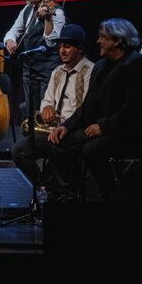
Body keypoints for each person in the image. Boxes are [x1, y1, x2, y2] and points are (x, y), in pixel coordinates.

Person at [46, 18, 142, 200]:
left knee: (92, 149)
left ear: (117, 40)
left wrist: (103, 126)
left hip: (126, 131)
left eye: (102, 37)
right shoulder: (101, 65)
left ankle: (109, 196)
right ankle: (69, 197)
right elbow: (88, 104)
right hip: (102, 129)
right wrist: (66, 126)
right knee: (57, 142)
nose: (98, 41)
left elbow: (133, 108)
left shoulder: (137, 64)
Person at [11, 24, 93, 188]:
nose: (62, 50)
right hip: (54, 129)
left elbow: (88, 106)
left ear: (80, 49)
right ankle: (46, 189)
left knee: (54, 144)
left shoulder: (90, 70)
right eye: (60, 46)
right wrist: (47, 108)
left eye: (67, 46)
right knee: (19, 151)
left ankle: (62, 192)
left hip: (75, 128)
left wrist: (66, 125)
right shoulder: (57, 71)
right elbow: (48, 99)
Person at [3, 0, 65, 115]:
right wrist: (10, 40)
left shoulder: (56, 12)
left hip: (47, 70)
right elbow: (14, 30)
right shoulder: (27, 9)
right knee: (30, 110)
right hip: (29, 69)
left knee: (45, 111)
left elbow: (51, 42)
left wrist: (48, 19)